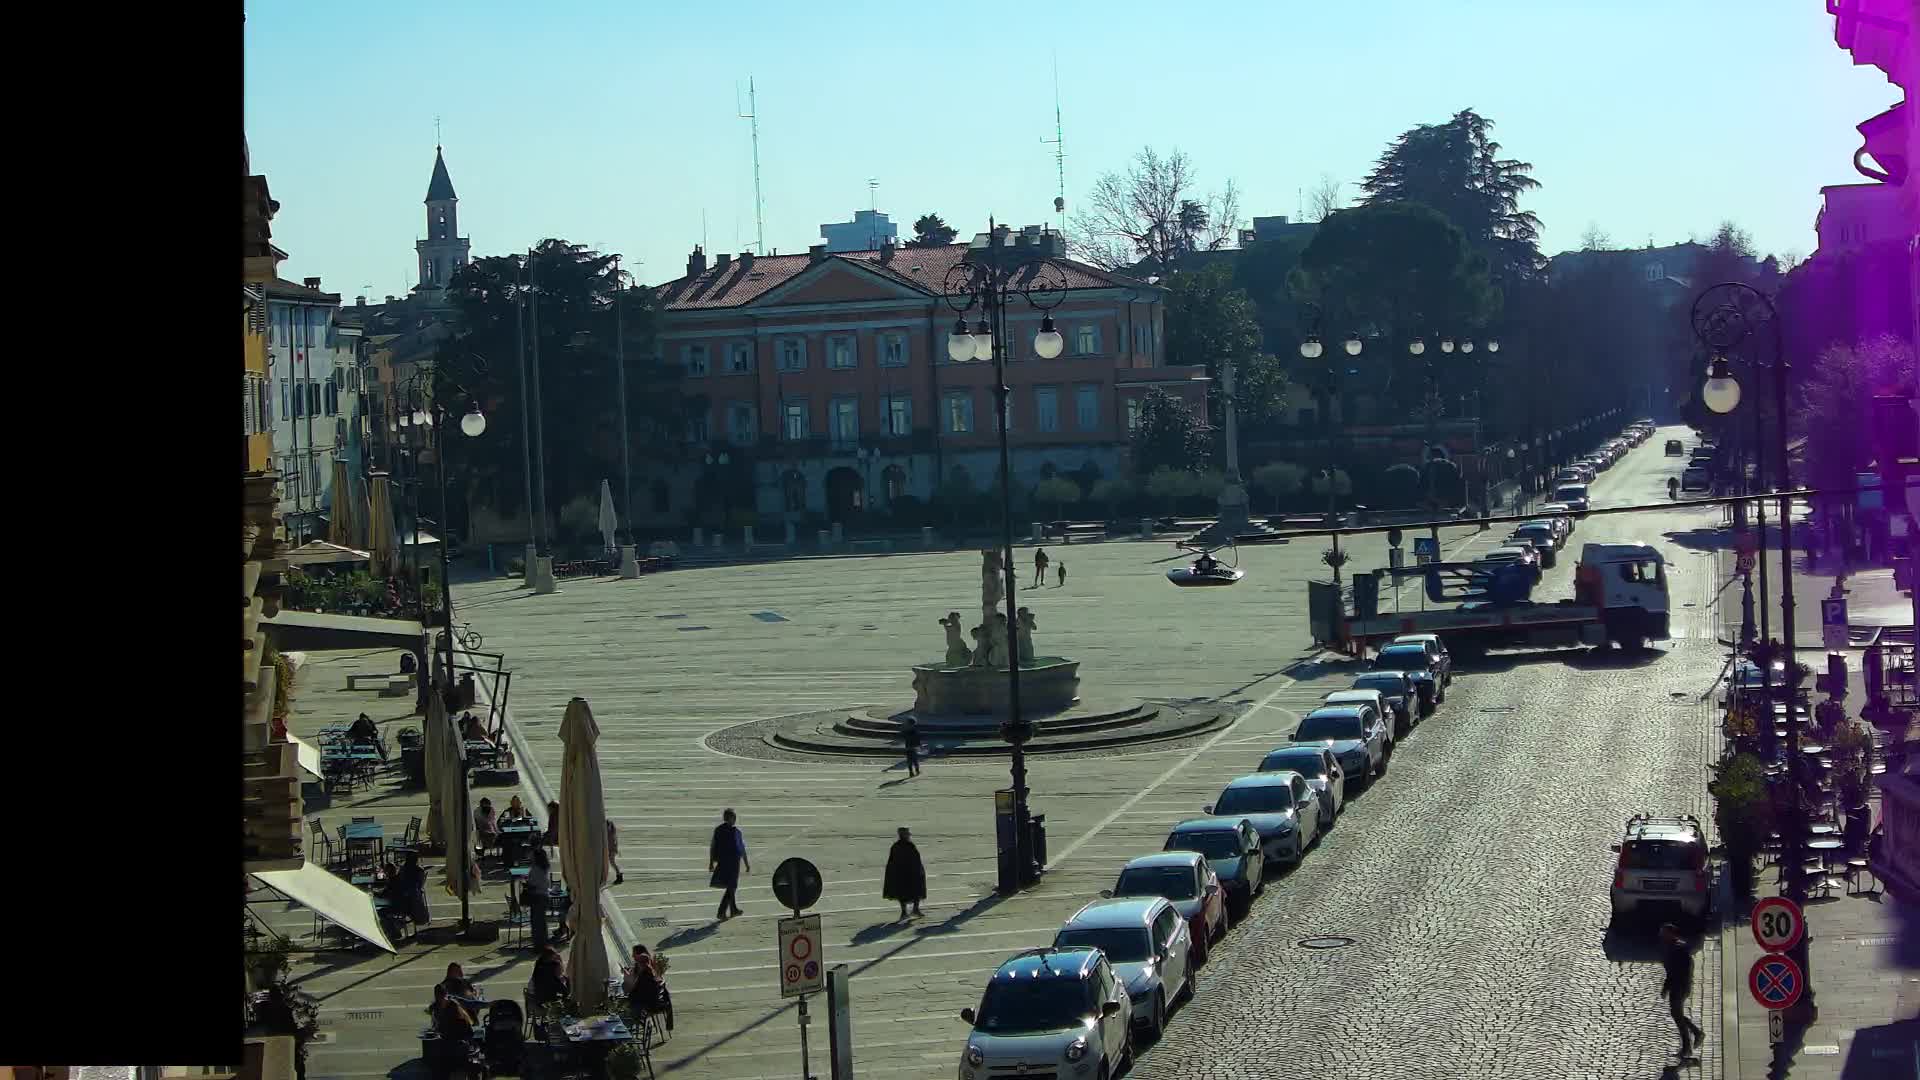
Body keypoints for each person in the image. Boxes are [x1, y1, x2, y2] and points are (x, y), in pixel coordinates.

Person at [1659, 923, 1705, 1061]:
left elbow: (1680, 971)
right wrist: (1666, 987)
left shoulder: (1678, 949)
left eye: (1663, 933)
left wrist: (1671, 987)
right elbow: (1670, 971)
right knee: (1677, 1015)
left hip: (1679, 987)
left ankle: (1688, 1047)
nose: (1661, 935)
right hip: (1676, 986)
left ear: (1671, 934)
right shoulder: (1671, 947)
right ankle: (1695, 1036)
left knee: (1677, 1015)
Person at [623, 944, 675, 1033]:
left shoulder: (645, 976)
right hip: (652, 1001)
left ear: (641, 964)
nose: (632, 957)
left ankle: (629, 1030)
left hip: (648, 1004)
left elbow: (635, 992)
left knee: (625, 1012)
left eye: (634, 954)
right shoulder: (649, 972)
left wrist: (628, 980)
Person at [709, 808, 749, 920]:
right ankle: (722, 912)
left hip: (722, 862)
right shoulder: (736, 832)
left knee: (731, 886)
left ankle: (733, 909)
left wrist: (711, 862)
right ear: (731, 818)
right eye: (734, 817)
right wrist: (746, 864)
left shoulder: (718, 830)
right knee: (732, 887)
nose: (735, 819)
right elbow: (741, 849)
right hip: (733, 863)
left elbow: (713, 846)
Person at [883, 827, 927, 920]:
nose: (908, 836)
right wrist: (920, 871)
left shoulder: (895, 846)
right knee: (916, 891)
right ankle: (915, 910)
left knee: (902, 893)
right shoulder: (909, 845)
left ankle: (905, 912)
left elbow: (891, 862)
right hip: (911, 874)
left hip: (899, 874)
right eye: (907, 834)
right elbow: (916, 860)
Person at [525, 843, 553, 950]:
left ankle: (539, 945)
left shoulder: (535, 869)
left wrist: (527, 883)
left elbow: (531, 883)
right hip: (544, 896)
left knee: (537, 923)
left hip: (537, 897)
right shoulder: (544, 868)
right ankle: (543, 944)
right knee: (541, 923)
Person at [606, 820, 624, 886]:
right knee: (612, 862)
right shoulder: (611, 833)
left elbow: (613, 843)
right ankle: (619, 875)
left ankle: (619, 875)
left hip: (611, 850)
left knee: (612, 862)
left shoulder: (610, 834)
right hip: (611, 849)